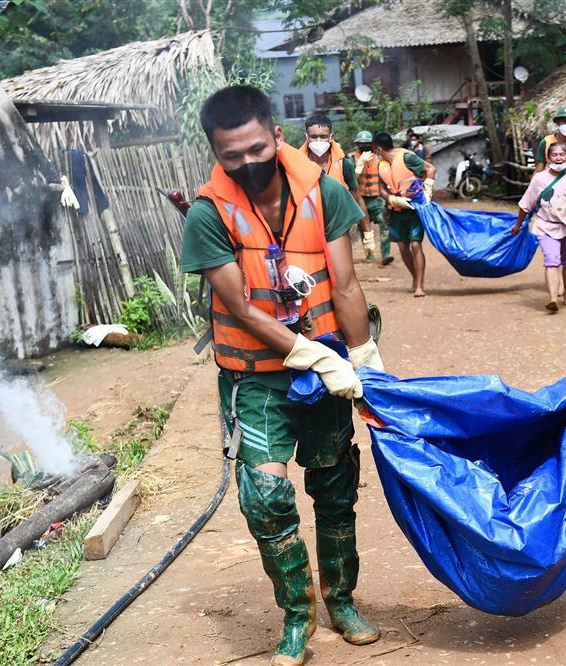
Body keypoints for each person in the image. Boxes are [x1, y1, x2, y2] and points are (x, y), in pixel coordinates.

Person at [182, 85, 384, 665]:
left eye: (255, 148)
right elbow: (242, 308)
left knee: (334, 486)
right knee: (265, 498)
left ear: (276, 136)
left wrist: (362, 356)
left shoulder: (326, 192)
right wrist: (313, 355)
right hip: (257, 379)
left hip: (324, 372)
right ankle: (298, 615)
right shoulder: (206, 215)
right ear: (216, 154)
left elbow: (345, 285)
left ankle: (340, 601)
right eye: (231, 156)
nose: (247, 164)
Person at [511, 141, 566, 312]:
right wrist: (518, 225)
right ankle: (552, 298)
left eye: (562, 155)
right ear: (548, 157)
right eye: (554, 155)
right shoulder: (539, 179)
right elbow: (525, 204)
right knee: (551, 260)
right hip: (546, 226)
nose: (558, 158)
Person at [301, 114, 377, 263]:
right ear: (306, 137)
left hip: (337, 225)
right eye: (314, 137)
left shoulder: (344, 164)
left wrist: (367, 232)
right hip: (307, 225)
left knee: (340, 269)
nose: (318, 141)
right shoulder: (296, 164)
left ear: (331, 136)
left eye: (323, 136)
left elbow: (357, 197)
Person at [373, 131, 436, 297]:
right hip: (396, 211)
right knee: (402, 247)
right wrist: (392, 199)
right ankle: (415, 278)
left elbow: (430, 169)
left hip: (415, 209)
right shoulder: (381, 165)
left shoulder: (407, 157)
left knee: (415, 244)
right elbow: (380, 189)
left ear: (379, 148)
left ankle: (420, 286)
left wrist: (428, 191)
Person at [351, 130, 393, 266]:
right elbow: (351, 180)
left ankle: (386, 254)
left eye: (367, 144)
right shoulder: (352, 159)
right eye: (361, 144)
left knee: (384, 223)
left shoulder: (380, 159)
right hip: (360, 199)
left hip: (377, 199)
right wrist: (360, 164)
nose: (364, 147)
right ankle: (369, 254)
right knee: (364, 228)